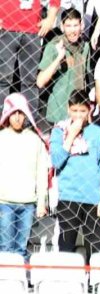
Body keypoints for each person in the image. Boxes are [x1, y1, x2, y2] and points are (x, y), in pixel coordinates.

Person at [49, 90, 100, 263]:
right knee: (66, 248)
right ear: (68, 109)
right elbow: (56, 161)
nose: (78, 115)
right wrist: (71, 135)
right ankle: (66, 282)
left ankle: (93, 283)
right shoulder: (59, 131)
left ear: (89, 110)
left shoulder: (98, 133)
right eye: (75, 110)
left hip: (93, 198)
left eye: (82, 111)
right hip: (69, 196)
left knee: (95, 247)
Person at [0, 94, 48, 261]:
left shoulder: (35, 140)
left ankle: (19, 284)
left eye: (21, 113)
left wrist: (42, 201)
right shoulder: (1, 138)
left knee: (21, 250)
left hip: (28, 204)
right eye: (14, 113)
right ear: (7, 113)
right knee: (5, 248)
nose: (18, 117)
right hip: (4, 203)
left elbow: (42, 172)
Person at [0, 0, 59, 120]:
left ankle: (29, 122)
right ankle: (2, 120)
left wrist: (50, 18)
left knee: (30, 81)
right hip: (6, 28)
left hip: (32, 30)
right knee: (3, 79)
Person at [35, 8, 92, 127]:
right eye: (68, 26)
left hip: (78, 113)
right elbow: (40, 82)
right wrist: (58, 58)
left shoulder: (85, 47)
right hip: (58, 113)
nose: (73, 30)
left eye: (75, 25)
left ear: (81, 25)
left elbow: (86, 81)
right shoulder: (53, 46)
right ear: (62, 27)